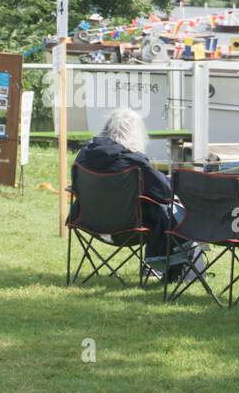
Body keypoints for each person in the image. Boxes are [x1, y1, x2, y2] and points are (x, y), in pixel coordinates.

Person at [73, 108, 198, 278]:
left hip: (89, 221)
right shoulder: (134, 161)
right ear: (136, 133)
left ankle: (159, 266)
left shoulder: (84, 156)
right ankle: (166, 266)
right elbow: (165, 193)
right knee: (167, 210)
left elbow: (75, 187)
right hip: (129, 226)